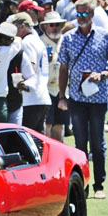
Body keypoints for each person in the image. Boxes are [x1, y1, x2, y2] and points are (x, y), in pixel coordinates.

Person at [57, 0, 108, 199]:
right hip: (76, 97)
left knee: (97, 143)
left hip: (98, 98)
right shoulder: (68, 38)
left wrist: (102, 74)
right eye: (78, 13)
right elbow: (63, 68)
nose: (81, 17)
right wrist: (62, 95)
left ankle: (98, 184)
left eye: (85, 13)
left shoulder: (104, 35)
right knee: (79, 143)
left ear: (93, 14)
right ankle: (82, 185)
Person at [12, 13, 51, 133]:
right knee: (38, 139)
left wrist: (19, 80)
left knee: (27, 140)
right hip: (42, 96)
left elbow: (31, 67)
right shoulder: (38, 40)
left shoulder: (27, 42)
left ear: (22, 26)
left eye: (15, 28)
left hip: (31, 98)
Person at [40, 11, 69, 142]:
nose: (55, 27)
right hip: (46, 89)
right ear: (46, 26)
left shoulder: (67, 41)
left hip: (63, 90)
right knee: (47, 126)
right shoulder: (39, 42)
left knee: (60, 125)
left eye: (58, 24)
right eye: (51, 25)